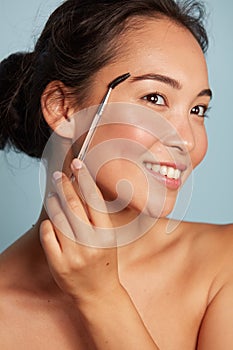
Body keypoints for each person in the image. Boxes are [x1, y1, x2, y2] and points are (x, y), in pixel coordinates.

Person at [0, 0, 232, 349]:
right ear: (62, 108)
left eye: (198, 109)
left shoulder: (223, 266)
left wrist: (103, 297)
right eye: (154, 98)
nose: (187, 139)